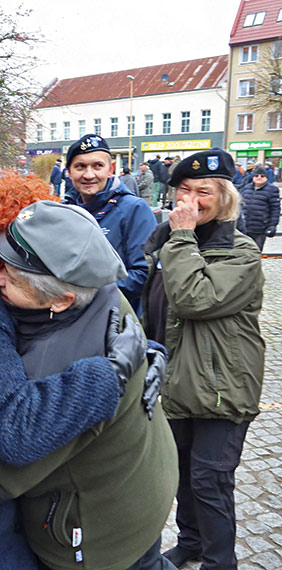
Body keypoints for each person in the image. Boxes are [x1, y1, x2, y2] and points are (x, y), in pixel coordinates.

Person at [0, 197, 178, 570]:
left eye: (13, 278)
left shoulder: (63, 371)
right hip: (141, 491)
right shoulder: (95, 286)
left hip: (100, 540)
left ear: (60, 299)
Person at [141, 148, 265, 570]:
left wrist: (180, 237)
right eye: (184, 190)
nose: (190, 200)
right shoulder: (169, 242)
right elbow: (153, 306)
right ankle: (191, 543)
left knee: (210, 481)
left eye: (203, 191)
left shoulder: (241, 251)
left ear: (225, 197)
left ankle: (219, 561)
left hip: (220, 387)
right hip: (178, 381)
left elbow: (195, 299)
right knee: (180, 475)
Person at [64, 134, 157, 315]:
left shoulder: (134, 209)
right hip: (71, 315)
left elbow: (142, 275)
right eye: (80, 166)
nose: (89, 175)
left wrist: (85, 291)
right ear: (69, 171)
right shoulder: (63, 210)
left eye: (97, 166)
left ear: (110, 169)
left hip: (116, 319)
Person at [240, 166, 280, 251]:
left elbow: (275, 209)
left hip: (260, 228)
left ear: (266, 178)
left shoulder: (272, 190)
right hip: (245, 227)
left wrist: (272, 225)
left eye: (262, 176)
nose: (259, 178)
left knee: (256, 252)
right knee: (243, 252)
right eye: (256, 175)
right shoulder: (246, 188)